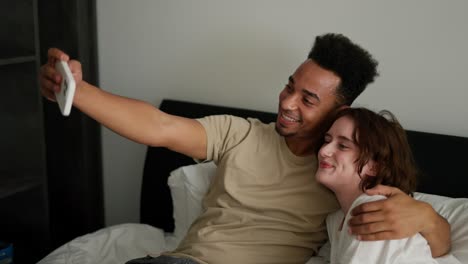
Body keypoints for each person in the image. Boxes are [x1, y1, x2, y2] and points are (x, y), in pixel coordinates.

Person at [39, 33, 450, 264]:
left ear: (340, 110)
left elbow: (430, 234)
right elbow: (158, 127)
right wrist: (79, 92)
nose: (287, 102)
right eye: (291, 85)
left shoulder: (341, 175)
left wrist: (428, 217)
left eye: (308, 99)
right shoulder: (241, 134)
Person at [314, 107, 437, 264]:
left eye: (343, 146)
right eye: (327, 140)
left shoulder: (375, 212)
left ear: (375, 167)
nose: (324, 151)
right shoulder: (337, 219)